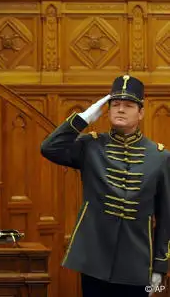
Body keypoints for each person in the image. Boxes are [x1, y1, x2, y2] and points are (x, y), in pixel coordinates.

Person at [40, 75, 170, 297]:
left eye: (128, 105)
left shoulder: (159, 157)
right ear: (107, 111)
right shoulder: (90, 145)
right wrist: (83, 118)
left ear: (141, 113)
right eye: (115, 105)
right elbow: (49, 148)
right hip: (94, 258)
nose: (120, 110)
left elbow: (166, 215)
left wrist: (160, 266)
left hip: (137, 262)